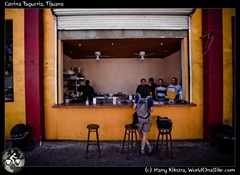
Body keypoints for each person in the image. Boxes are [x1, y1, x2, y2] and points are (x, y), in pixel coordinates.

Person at [133, 86, 154, 156]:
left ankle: (146, 146)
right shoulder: (149, 99)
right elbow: (152, 110)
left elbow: (134, 107)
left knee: (139, 131)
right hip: (146, 118)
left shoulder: (137, 97)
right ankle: (145, 147)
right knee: (144, 134)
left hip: (138, 118)